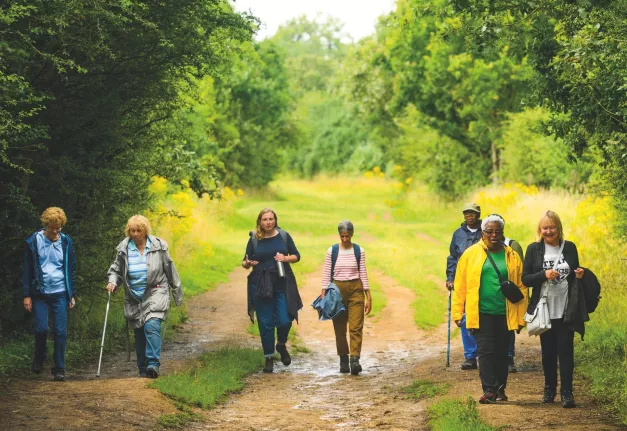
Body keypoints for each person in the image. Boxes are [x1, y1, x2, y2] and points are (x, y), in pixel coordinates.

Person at [452, 214, 528, 404]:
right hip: (481, 312)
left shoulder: (512, 255)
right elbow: (460, 285)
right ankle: (489, 390)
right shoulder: (470, 254)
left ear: (502, 233)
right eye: (489, 231)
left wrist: (521, 317)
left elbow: (522, 287)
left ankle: (501, 389)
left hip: (505, 312)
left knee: (503, 352)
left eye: (498, 231)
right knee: (485, 351)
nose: (494, 235)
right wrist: (457, 311)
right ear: (482, 233)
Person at [106, 215, 183, 378]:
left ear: (145, 231)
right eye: (132, 230)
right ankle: (142, 368)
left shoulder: (158, 246)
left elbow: (170, 269)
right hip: (134, 295)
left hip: (156, 290)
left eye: (138, 230)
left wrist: (177, 293)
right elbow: (116, 270)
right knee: (139, 331)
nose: (135, 234)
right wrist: (113, 282)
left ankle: (153, 364)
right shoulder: (124, 249)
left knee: (151, 325)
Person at [522, 210, 585, 408]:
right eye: (545, 228)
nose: (549, 231)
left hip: (566, 309)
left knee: (566, 351)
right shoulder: (534, 249)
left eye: (552, 227)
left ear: (559, 228)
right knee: (548, 352)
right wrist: (544, 274)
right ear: (540, 230)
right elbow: (525, 279)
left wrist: (580, 273)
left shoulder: (570, 247)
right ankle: (549, 389)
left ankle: (567, 393)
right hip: (544, 310)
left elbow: (575, 273)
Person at [243, 208, 302, 373]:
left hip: (282, 283)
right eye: (265, 219)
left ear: (275, 220)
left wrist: (285, 258)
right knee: (265, 322)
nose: (268, 222)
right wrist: (248, 263)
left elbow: (297, 256)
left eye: (271, 219)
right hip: (261, 285)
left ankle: (281, 344)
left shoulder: (283, 236)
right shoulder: (254, 239)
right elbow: (245, 261)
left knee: (285, 319)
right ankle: (268, 357)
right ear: (260, 221)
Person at [22, 207, 77, 381]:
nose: (55, 231)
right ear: (45, 225)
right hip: (40, 293)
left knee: (60, 332)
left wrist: (71, 294)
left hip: (60, 293)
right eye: (52, 228)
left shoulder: (66, 242)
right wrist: (27, 295)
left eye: (58, 228)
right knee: (41, 329)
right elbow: (27, 270)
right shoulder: (34, 241)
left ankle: (59, 368)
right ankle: (39, 357)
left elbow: (71, 270)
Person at [320, 220, 372, 375]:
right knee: (340, 328)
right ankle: (343, 357)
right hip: (337, 290)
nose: (344, 239)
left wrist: (368, 296)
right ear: (339, 235)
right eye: (342, 236)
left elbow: (363, 272)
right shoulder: (332, 251)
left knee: (356, 326)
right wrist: (324, 295)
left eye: (347, 236)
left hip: (356, 289)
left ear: (352, 234)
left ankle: (354, 360)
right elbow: (326, 274)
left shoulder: (358, 251)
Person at [446, 202, 482, 370]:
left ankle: (486, 354)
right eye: (466, 213)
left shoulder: (487, 231)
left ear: (478, 215)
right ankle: (470, 356)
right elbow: (453, 257)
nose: (469, 215)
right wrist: (450, 277)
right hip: (463, 281)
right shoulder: (458, 234)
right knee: (464, 317)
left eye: (472, 213)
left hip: (482, 280)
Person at [503, 235, 524, 373]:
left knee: (508, 328)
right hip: (490, 297)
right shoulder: (479, 247)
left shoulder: (512, 245)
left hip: (509, 293)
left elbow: (522, 273)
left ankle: (509, 357)